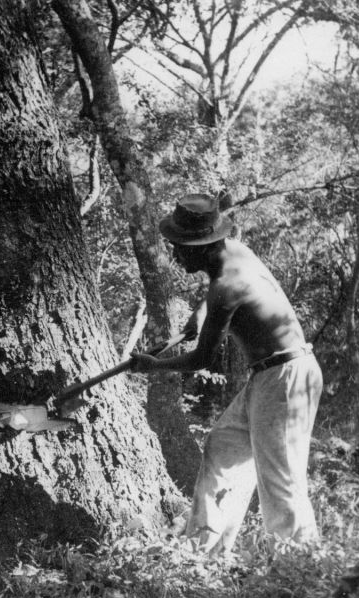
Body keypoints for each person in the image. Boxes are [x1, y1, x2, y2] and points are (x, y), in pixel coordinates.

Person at [131, 194, 323, 558]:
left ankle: (300, 564)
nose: (176, 255)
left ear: (203, 247)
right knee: (223, 448)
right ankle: (204, 552)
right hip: (269, 376)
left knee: (281, 478)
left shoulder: (227, 286)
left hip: (286, 378)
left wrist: (152, 366)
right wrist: (200, 313)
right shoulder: (234, 252)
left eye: (181, 248)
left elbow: (201, 358)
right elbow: (217, 297)